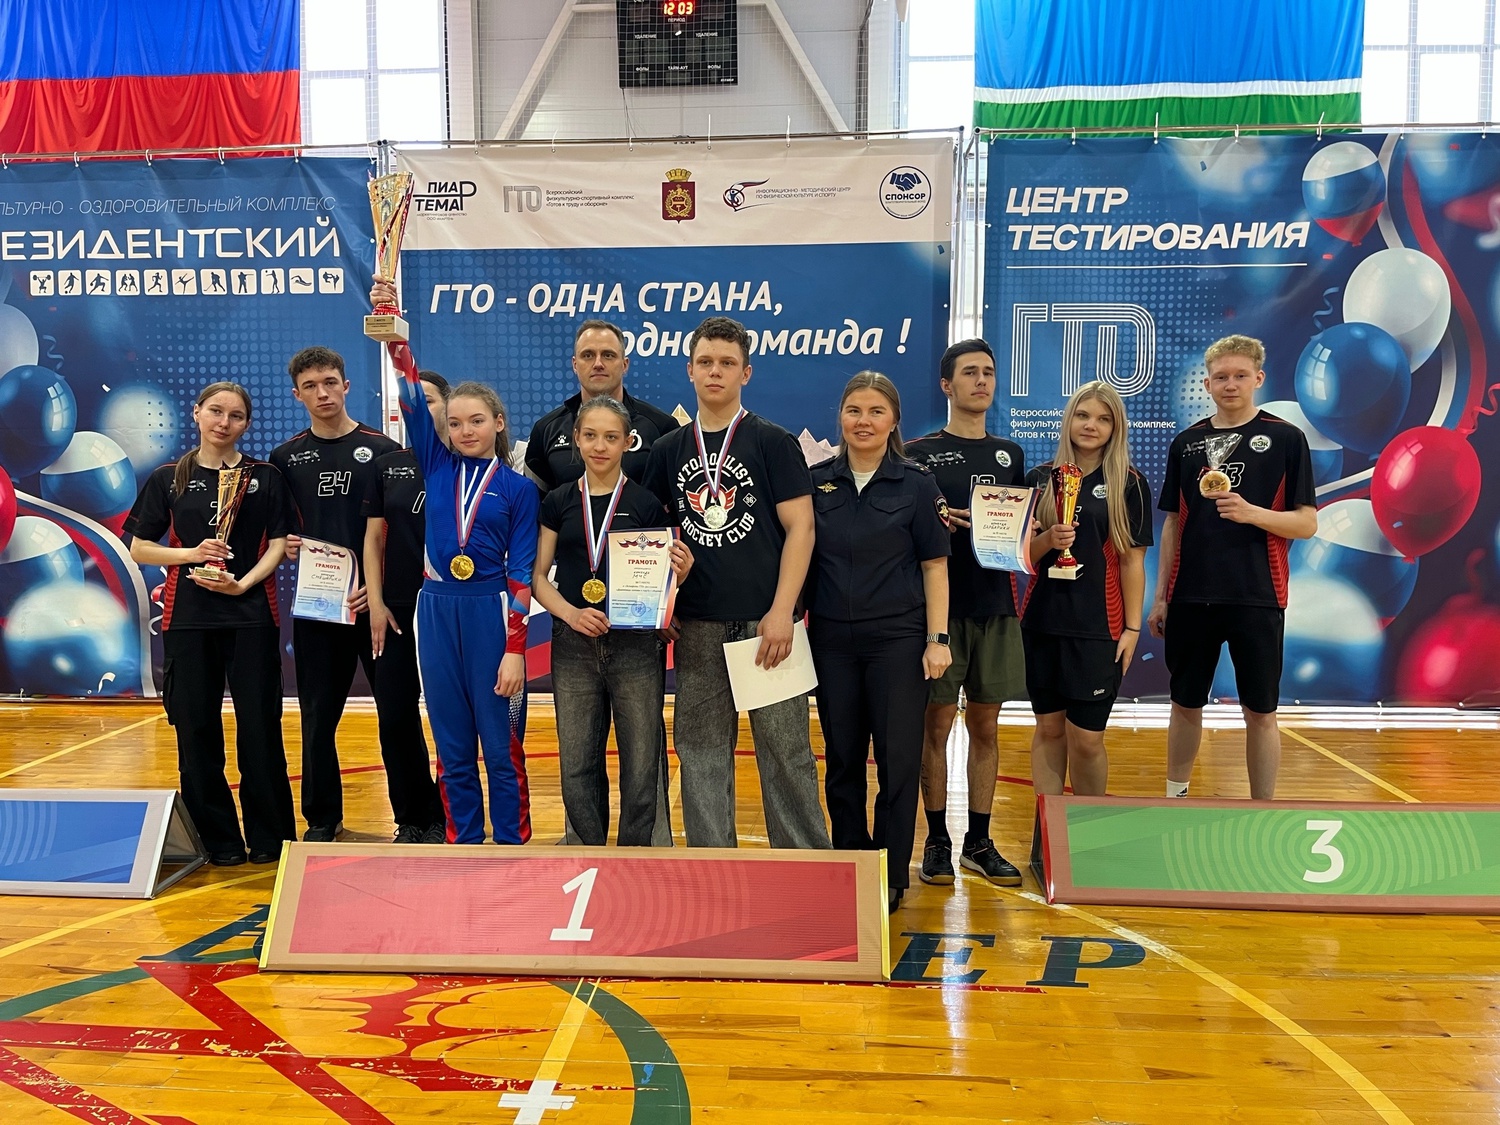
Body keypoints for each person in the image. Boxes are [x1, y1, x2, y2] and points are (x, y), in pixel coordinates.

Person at [644, 315, 830, 850]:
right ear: (689, 370)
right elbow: (649, 535)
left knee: (787, 754)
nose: (715, 371)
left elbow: (802, 528)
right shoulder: (667, 450)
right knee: (701, 753)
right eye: (705, 362)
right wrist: (661, 601)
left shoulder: (773, 441)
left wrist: (783, 611)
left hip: (765, 625)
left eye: (727, 363)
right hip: (697, 624)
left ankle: (805, 871)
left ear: (745, 372)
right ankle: (713, 870)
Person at [371, 278, 541, 843]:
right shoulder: (436, 465)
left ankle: (511, 844)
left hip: (492, 609)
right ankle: (462, 844)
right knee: (451, 740)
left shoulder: (518, 489)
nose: (465, 430)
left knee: (499, 741)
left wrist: (515, 649)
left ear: (498, 423)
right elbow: (411, 395)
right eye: (455, 423)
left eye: (477, 421)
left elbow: (522, 573)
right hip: (436, 608)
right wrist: (395, 332)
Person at [124, 382, 295, 866]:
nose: (224, 422)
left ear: (247, 424)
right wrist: (192, 555)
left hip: (252, 616)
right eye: (216, 411)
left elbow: (279, 544)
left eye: (236, 416)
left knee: (260, 729)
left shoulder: (265, 477)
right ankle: (218, 841)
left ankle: (270, 838)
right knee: (195, 731)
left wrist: (243, 585)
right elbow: (139, 548)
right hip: (188, 620)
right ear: (197, 413)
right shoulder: (168, 478)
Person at [526, 318, 680, 846]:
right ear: (575, 440)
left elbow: (664, 568)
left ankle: (638, 858)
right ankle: (587, 853)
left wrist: (674, 583)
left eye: (611, 437)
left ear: (628, 442)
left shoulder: (646, 502)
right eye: (590, 436)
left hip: (636, 643)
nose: (599, 445)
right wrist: (570, 613)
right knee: (577, 763)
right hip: (573, 642)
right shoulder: (557, 501)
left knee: (642, 762)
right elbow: (537, 576)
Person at [1147, 335, 1317, 800]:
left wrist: (1251, 513)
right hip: (1190, 597)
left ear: (1258, 378)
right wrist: (1161, 597)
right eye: (1221, 376)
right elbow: (1173, 524)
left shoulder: (1286, 438)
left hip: (1257, 596)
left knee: (1260, 711)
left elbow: (1306, 523)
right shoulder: (1187, 443)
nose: (1230, 384)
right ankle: (1175, 797)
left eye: (1241, 375)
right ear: (1206, 383)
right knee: (1184, 703)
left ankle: (1262, 807)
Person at [806, 373, 951, 911]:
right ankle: (853, 865)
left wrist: (937, 638)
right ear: (840, 417)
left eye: (875, 411)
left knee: (897, 761)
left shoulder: (917, 485)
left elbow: (935, 567)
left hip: (898, 642)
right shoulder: (815, 482)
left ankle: (889, 873)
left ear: (893, 422)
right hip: (832, 644)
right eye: (854, 410)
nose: (863, 421)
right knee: (842, 759)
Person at [906, 339, 1027, 888]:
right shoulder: (918, 454)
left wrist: (1023, 531)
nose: (981, 381)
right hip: (940, 614)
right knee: (935, 725)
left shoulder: (1009, 455)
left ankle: (979, 841)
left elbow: (1017, 535)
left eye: (989, 372)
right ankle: (937, 839)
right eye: (970, 372)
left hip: (995, 608)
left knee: (985, 725)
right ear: (946, 385)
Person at [270, 346, 404, 842]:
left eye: (330, 382)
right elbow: (278, 530)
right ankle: (323, 819)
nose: (322, 393)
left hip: (377, 604)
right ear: (297, 394)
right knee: (317, 715)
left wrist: (380, 589)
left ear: (346, 386)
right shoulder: (285, 458)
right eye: (310, 386)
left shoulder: (383, 449)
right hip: (319, 605)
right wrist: (285, 544)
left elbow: (401, 530)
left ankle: (414, 819)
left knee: (397, 711)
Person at [1023, 381, 1153, 796]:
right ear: (1068, 420)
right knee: (1048, 730)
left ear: (1116, 427)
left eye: (1103, 418)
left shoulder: (1129, 483)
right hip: (1042, 624)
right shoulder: (1039, 478)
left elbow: (1133, 562)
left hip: (1099, 629)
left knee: (1087, 739)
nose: (1091, 425)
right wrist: (1049, 540)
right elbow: (1023, 556)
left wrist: (1132, 629)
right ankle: (1045, 831)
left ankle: (1085, 829)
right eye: (1082, 415)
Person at [360, 370, 451, 843]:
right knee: (395, 715)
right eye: (411, 401)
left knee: (452, 720)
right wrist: (376, 602)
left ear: (449, 406)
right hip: (396, 609)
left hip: (451, 609)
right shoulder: (387, 465)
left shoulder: (468, 464)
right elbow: (373, 539)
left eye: (429, 400)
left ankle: (450, 817)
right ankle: (413, 818)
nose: (419, 408)